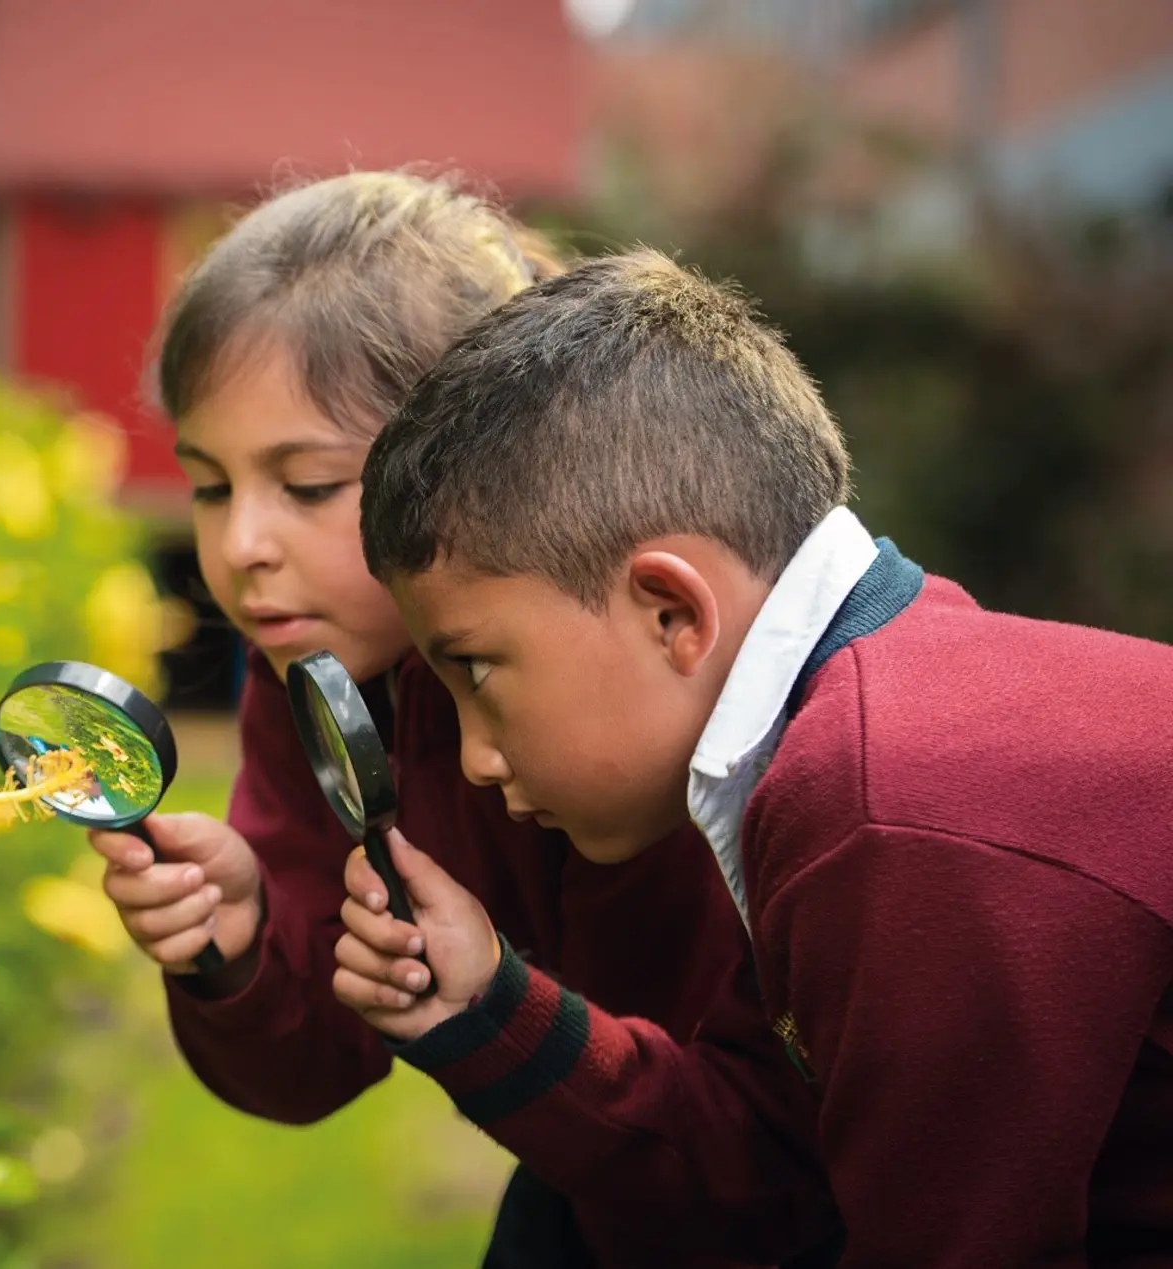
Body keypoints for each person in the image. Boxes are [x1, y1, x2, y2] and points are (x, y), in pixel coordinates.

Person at [348, 247, 1173, 1266]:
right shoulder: (855, 725)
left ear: (670, 612)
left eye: (474, 670)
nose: (475, 758)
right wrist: (492, 1009)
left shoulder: (887, 807)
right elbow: (777, 1167)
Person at [87, 174, 837, 1265]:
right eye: (209, 486)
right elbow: (307, 1070)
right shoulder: (313, 677)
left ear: (464, 460)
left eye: (305, 486)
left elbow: (752, 1154)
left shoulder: (638, 699)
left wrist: (499, 1009)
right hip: (594, 1148)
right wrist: (242, 949)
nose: (240, 544)